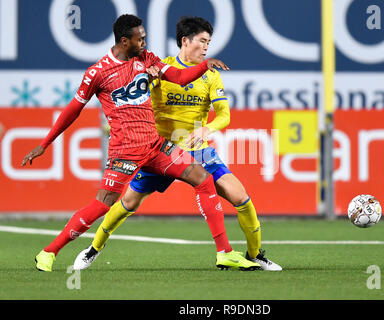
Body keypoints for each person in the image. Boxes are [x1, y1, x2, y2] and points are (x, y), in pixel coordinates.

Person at [22, 14, 260, 272]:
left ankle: (224, 252)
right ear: (125, 41)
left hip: (157, 146)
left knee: (202, 178)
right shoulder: (97, 73)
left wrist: (205, 66)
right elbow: (72, 110)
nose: (145, 43)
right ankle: (50, 252)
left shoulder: (147, 59)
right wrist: (45, 143)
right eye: (140, 39)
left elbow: (179, 78)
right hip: (126, 151)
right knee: (104, 204)